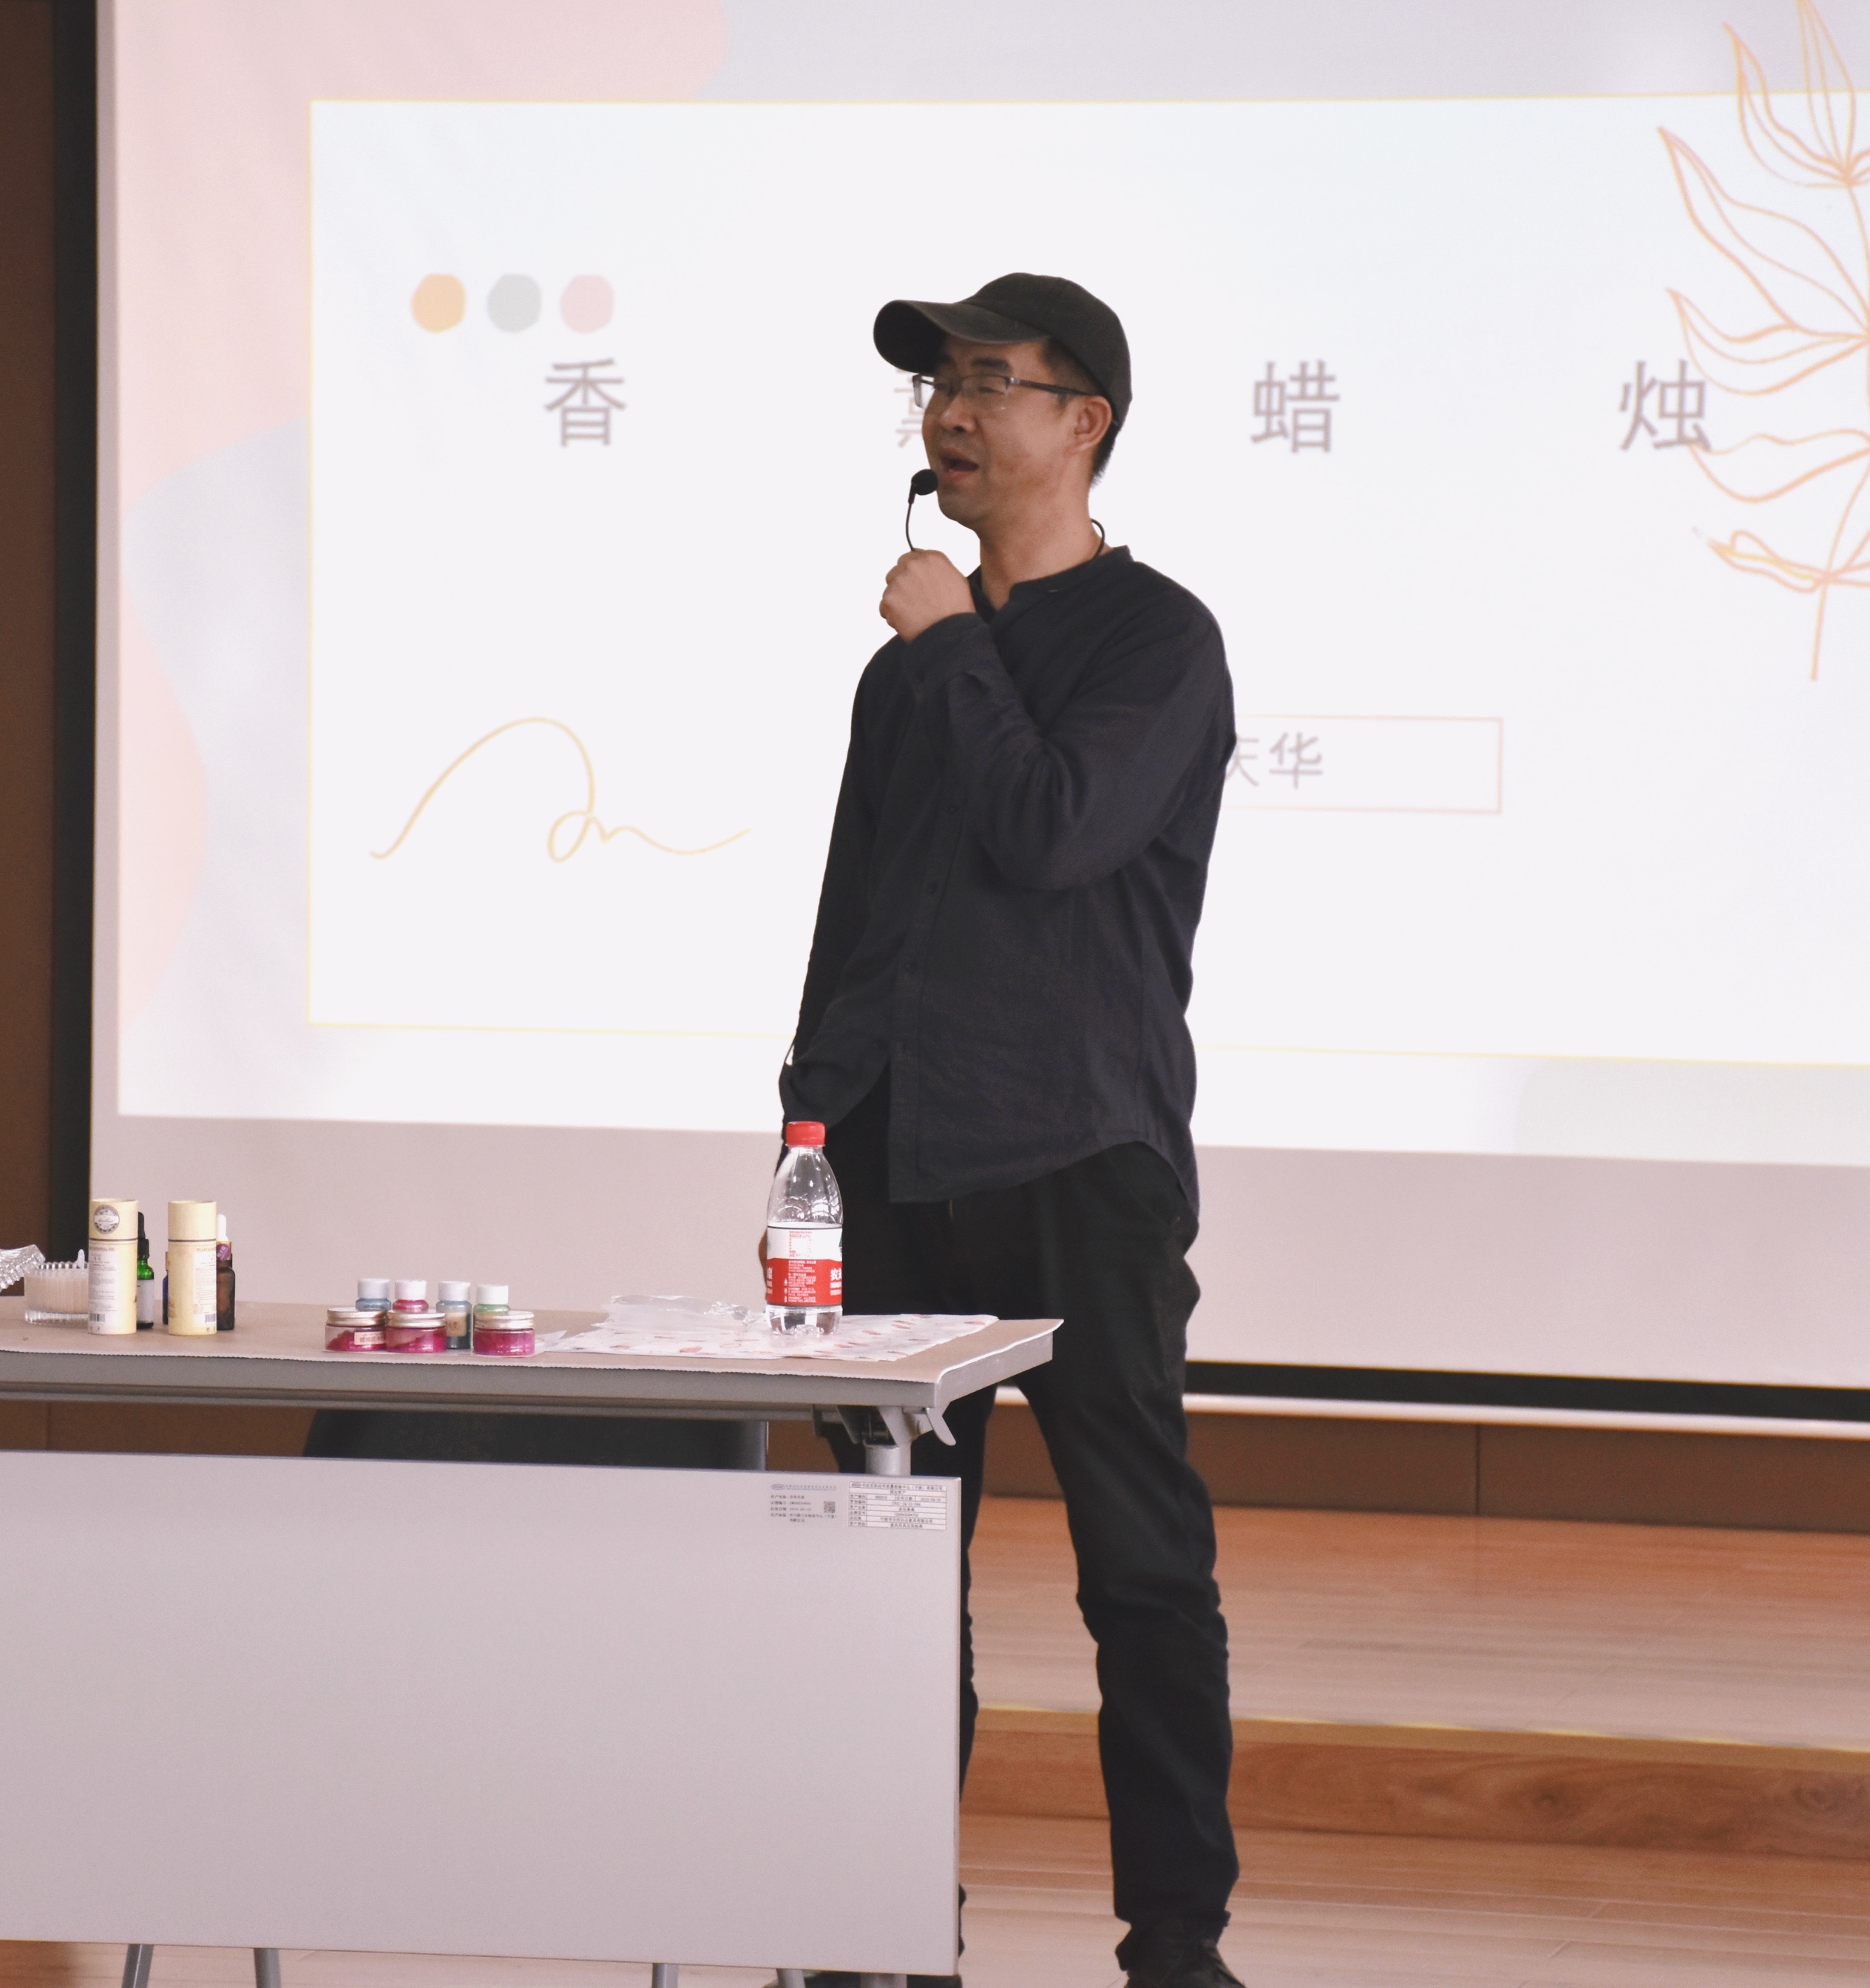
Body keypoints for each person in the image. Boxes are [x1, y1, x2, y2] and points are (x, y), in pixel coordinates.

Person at [785, 274, 1243, 1988]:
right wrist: (807, 1142)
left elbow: (1054, 827)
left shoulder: (1155, 642)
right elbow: (857, 921)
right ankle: (882, 1927)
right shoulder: (907, 674)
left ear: (1085, 422)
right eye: (939, 387)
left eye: (990, 381)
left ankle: (1175, 1946)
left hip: (1079, 1167)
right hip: (892, 1174)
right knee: (890, 1574)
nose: (951, 414)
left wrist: (952, 644)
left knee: (1142, 1572)